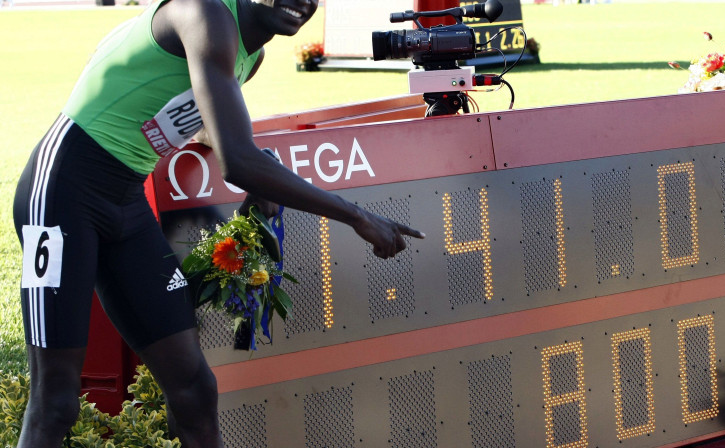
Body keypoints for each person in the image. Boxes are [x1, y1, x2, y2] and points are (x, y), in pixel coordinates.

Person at [12, 0, 425, 446]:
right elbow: (236, 163)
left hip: (125, 202)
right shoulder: (204, 13)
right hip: (61, 191)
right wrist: (356, 215)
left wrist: (258, 165)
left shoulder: (253, 53)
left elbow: (204, 125)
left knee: (194, 389)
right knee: (56, 401)